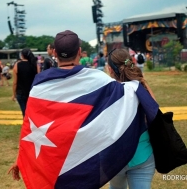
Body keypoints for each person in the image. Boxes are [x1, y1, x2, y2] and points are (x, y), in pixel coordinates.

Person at [8, 30, 158, 189]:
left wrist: (22, 158)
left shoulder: (39, 86)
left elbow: (30, 125)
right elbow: (130, 95)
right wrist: (138, 82)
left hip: (71, 157)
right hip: (136, 156)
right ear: (79, 51)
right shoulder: (99, 80)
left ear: (55, 52)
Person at [107, 48, 155, 189]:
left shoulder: (108, 92)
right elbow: (154, 116)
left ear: (110, 69)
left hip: (115, 156)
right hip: (143, 154)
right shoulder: (142, 87)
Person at [12, 48, 40, 117]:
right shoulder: (35, 65)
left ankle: (26, 127)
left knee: (25, 113)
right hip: (33, 93)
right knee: (33, 113)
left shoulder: (17, 65)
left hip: (21, 92)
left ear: (22, 55)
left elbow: (15, 82)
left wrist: (14, 94)